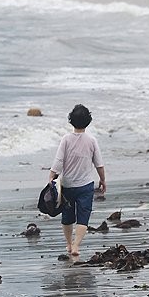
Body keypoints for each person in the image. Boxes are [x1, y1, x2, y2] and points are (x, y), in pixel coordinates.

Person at [49, 105, 106, 261]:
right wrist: (103, 179)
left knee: (67, 216)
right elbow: (99, 163)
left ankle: (68, 244)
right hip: (86, 185)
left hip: (67, 185)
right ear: (88, 121)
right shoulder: (92, 140)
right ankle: (76, 245)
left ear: (71, 120)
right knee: (83, 216)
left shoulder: (66, 139)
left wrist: (51, 176)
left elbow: (58, 161)